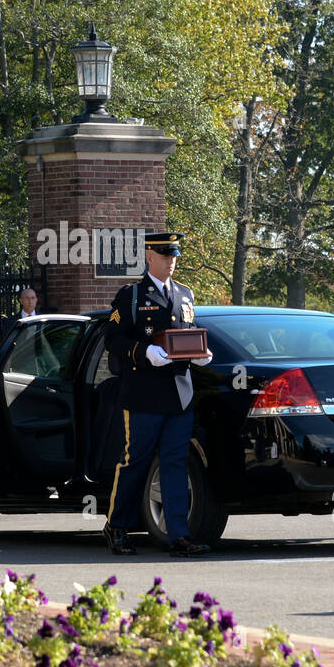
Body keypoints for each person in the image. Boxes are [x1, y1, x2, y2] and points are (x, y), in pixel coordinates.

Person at [101, 231, 213, 557]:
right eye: (166, 256)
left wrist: (201, 353)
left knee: (175, 464)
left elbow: (189, 335)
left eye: (175, 256)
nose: (172, 262)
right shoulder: (132, 296)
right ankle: (117, 526)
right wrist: (143, 351)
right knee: (134, 462)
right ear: (149, 257)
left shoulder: (186, 294)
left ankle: (177, 534)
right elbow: (113, 339)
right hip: (143, 394)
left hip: (179, 394)